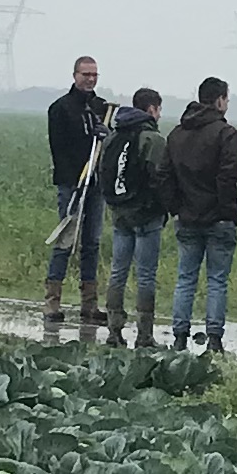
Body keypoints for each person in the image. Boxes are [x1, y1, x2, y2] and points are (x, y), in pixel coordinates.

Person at [163, 77, 237, 351]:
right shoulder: (227, 134)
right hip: (218, 218)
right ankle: (214, 339)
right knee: (217, 280)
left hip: (186, 216)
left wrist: (176, 207)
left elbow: (164, 176)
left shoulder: (176, 133)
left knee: (185, 277)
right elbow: (227, 177)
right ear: (220, 100)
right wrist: (226, 211)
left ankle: (179, 337)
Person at [43, 56, 112, 337]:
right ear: (75, 75)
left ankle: (89, 304)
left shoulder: (102, 107)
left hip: (97, 185)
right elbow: (60, 148)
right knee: (65, 241)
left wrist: (105, 135)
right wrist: (87, 140)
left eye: (94, 74)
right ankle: (52, 302)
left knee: (92, 243)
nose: (90, 79)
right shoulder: (60, 108)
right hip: (72, 183)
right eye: (86, 74)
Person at [101, 84, 169, 348]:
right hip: (146, 215)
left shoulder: (113, 135)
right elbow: (160, 178)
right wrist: (163, 208)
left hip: (119, 213)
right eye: (159, 109)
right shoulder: (152, 139)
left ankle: (114, 331)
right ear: (152, 109)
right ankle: (144, 334)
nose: (159, 115)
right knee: (146, 275)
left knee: (117, 272)